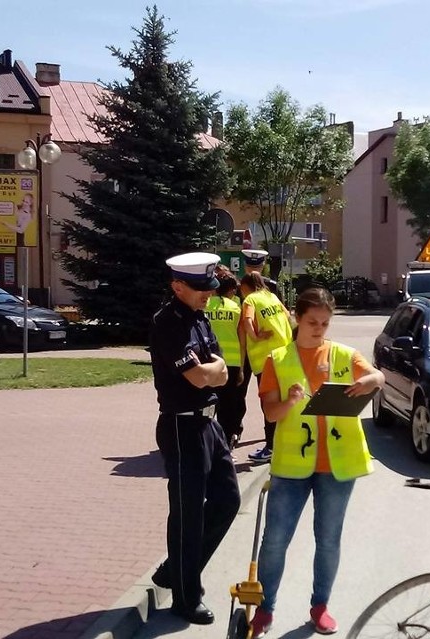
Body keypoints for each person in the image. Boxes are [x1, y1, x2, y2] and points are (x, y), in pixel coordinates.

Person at [249, 287, 384, 637]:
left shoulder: (344, 354)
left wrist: (369, 380)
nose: (319, 329)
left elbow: (377, 378)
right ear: (296, 317)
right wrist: (291, 400)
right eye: (312, 322)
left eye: (325, 323)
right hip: (292, 465)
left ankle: (320, 606)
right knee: (275, 540)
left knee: (328, 540)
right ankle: (265, 609)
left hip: (337, 465)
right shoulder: (277, 359)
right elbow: (271, 412)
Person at [149, 252, 241, 625]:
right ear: (178, 286)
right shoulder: (167, 322)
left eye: (210, 287)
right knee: (187, 516)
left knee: (228, 500)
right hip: (181, 426)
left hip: (210, 425)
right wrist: (212, 372)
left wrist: (212, 371)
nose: (208, 294)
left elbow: (220, 369)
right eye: (201, 288)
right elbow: (201, 377)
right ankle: (186, 598)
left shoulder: (199, 317)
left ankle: (175, 570)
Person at [239, 271, 293, 464]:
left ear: (246, 286)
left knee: (268, 404)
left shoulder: (251, 300)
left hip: (265, 360)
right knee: (282, 400)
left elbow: (246, 321)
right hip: (284, 355)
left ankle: (271, 447)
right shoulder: (272, 297)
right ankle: (281, 444)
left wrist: (255, 336)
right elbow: (288, 317)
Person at [204, 268, 248, 450]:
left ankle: (205, 440)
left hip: (209, 363)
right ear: (230, 290)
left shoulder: (204, 306)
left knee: (208, 403)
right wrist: (242, 369)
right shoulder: (236, 308)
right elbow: (242, 340)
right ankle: (226, 444)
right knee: (228, 407)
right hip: (231, 363)